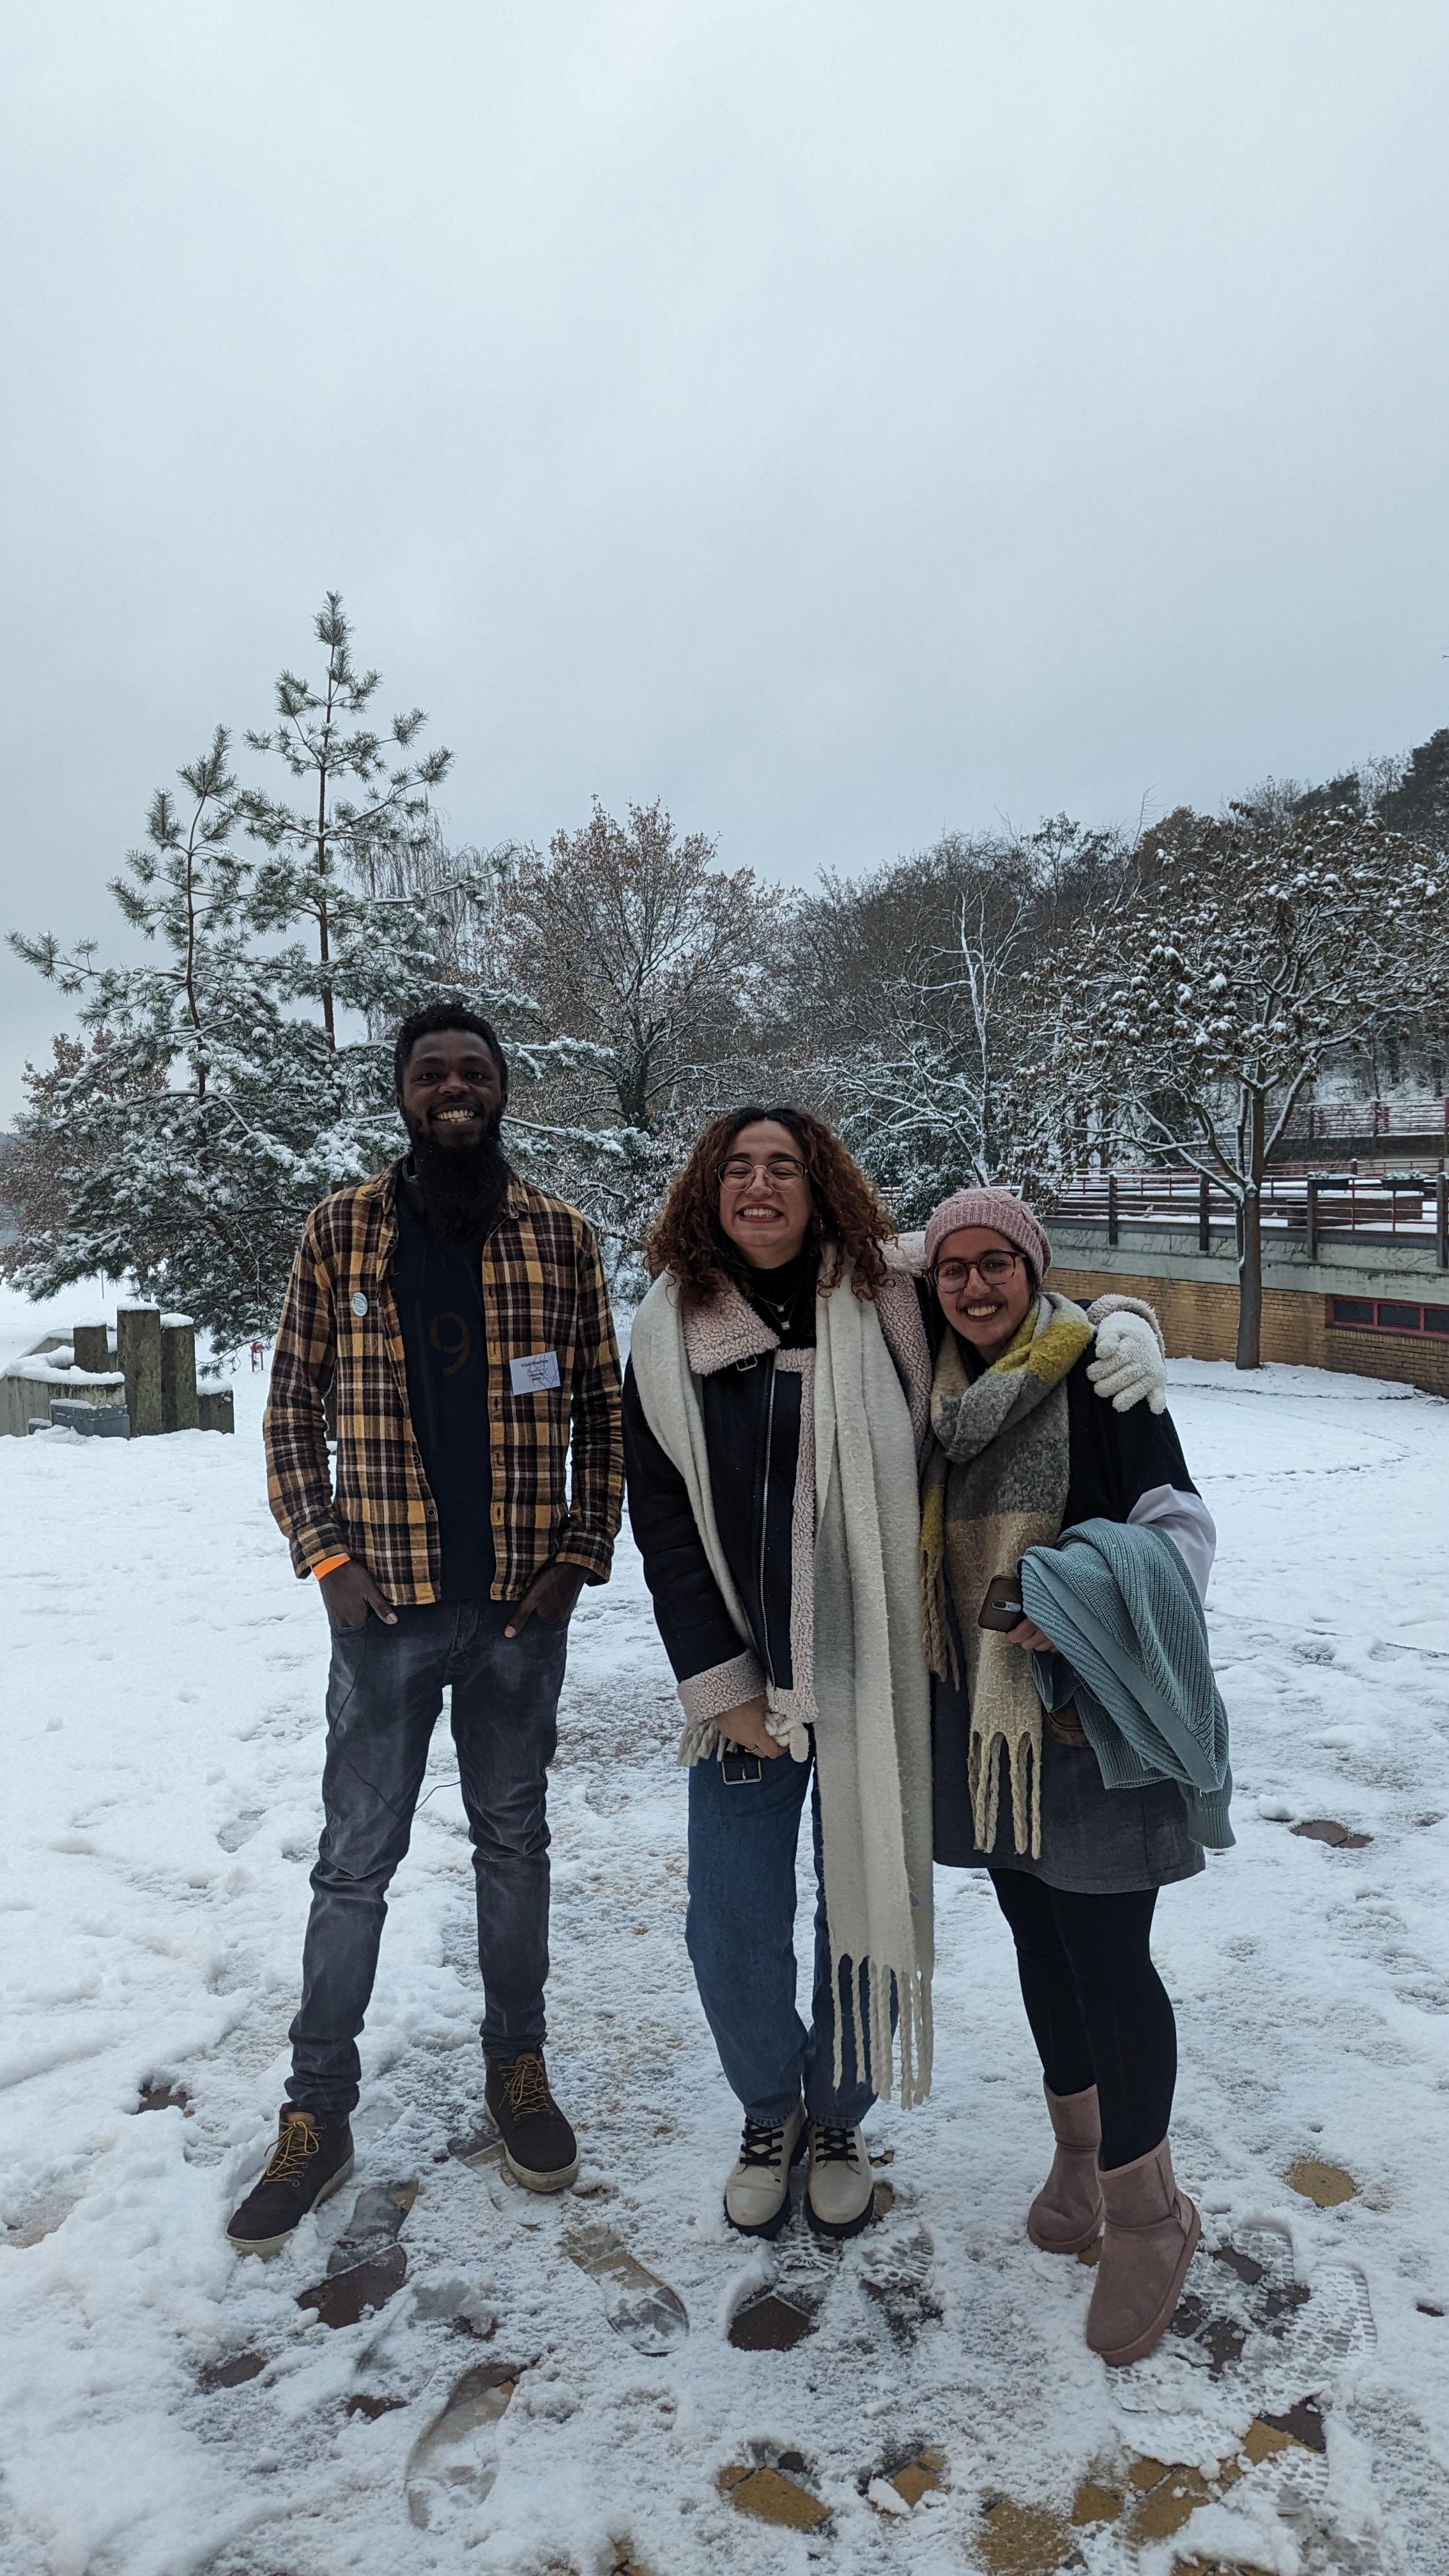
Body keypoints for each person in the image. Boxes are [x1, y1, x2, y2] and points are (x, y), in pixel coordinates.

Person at [227, 1004, 623, 2253]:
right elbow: (289, 1410)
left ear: (503, 1090)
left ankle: (518, 2072)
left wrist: (574, 1562)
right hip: (382, 1616)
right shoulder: (342, 1231)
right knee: (354, 1864)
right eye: (431, 1072)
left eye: (474, 1071)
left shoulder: (559, 1238)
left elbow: (606, 1421)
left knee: (514, 1848)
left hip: (516, 1617)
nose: (453, 1088)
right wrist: (326, 1557)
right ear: (403, 1095)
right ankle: (318, 2109)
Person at [920, 1185, 1223, 2367]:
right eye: (956, 1268)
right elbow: (862, 1251)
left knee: (1106, 1956)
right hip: (988, 1733)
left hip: (1089, 1723)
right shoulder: (937, 1393)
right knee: (1038, 1941)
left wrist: (1079, 1600)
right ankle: (1080, 2150)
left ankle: (1152, 2210)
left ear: (1036, 1269)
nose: (977, 1285)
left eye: (1001, 1263)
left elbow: (1180, 1528)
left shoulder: (1098, 1369)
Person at [624, 1107, 937, 2241]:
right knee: (731, 1924)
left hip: (874, 1667)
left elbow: (1024, 1300)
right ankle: (771, 2111)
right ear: (708, 1191)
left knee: (865, 1892)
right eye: (738, 1168)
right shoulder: (668, 1330)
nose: (761, 1186)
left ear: (821, 1189)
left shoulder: (891, 1294)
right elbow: (661, 1521)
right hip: (746, 1685)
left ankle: (841, 2114)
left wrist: (1125, 1328)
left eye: (786, 1168)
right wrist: (726, 1687)